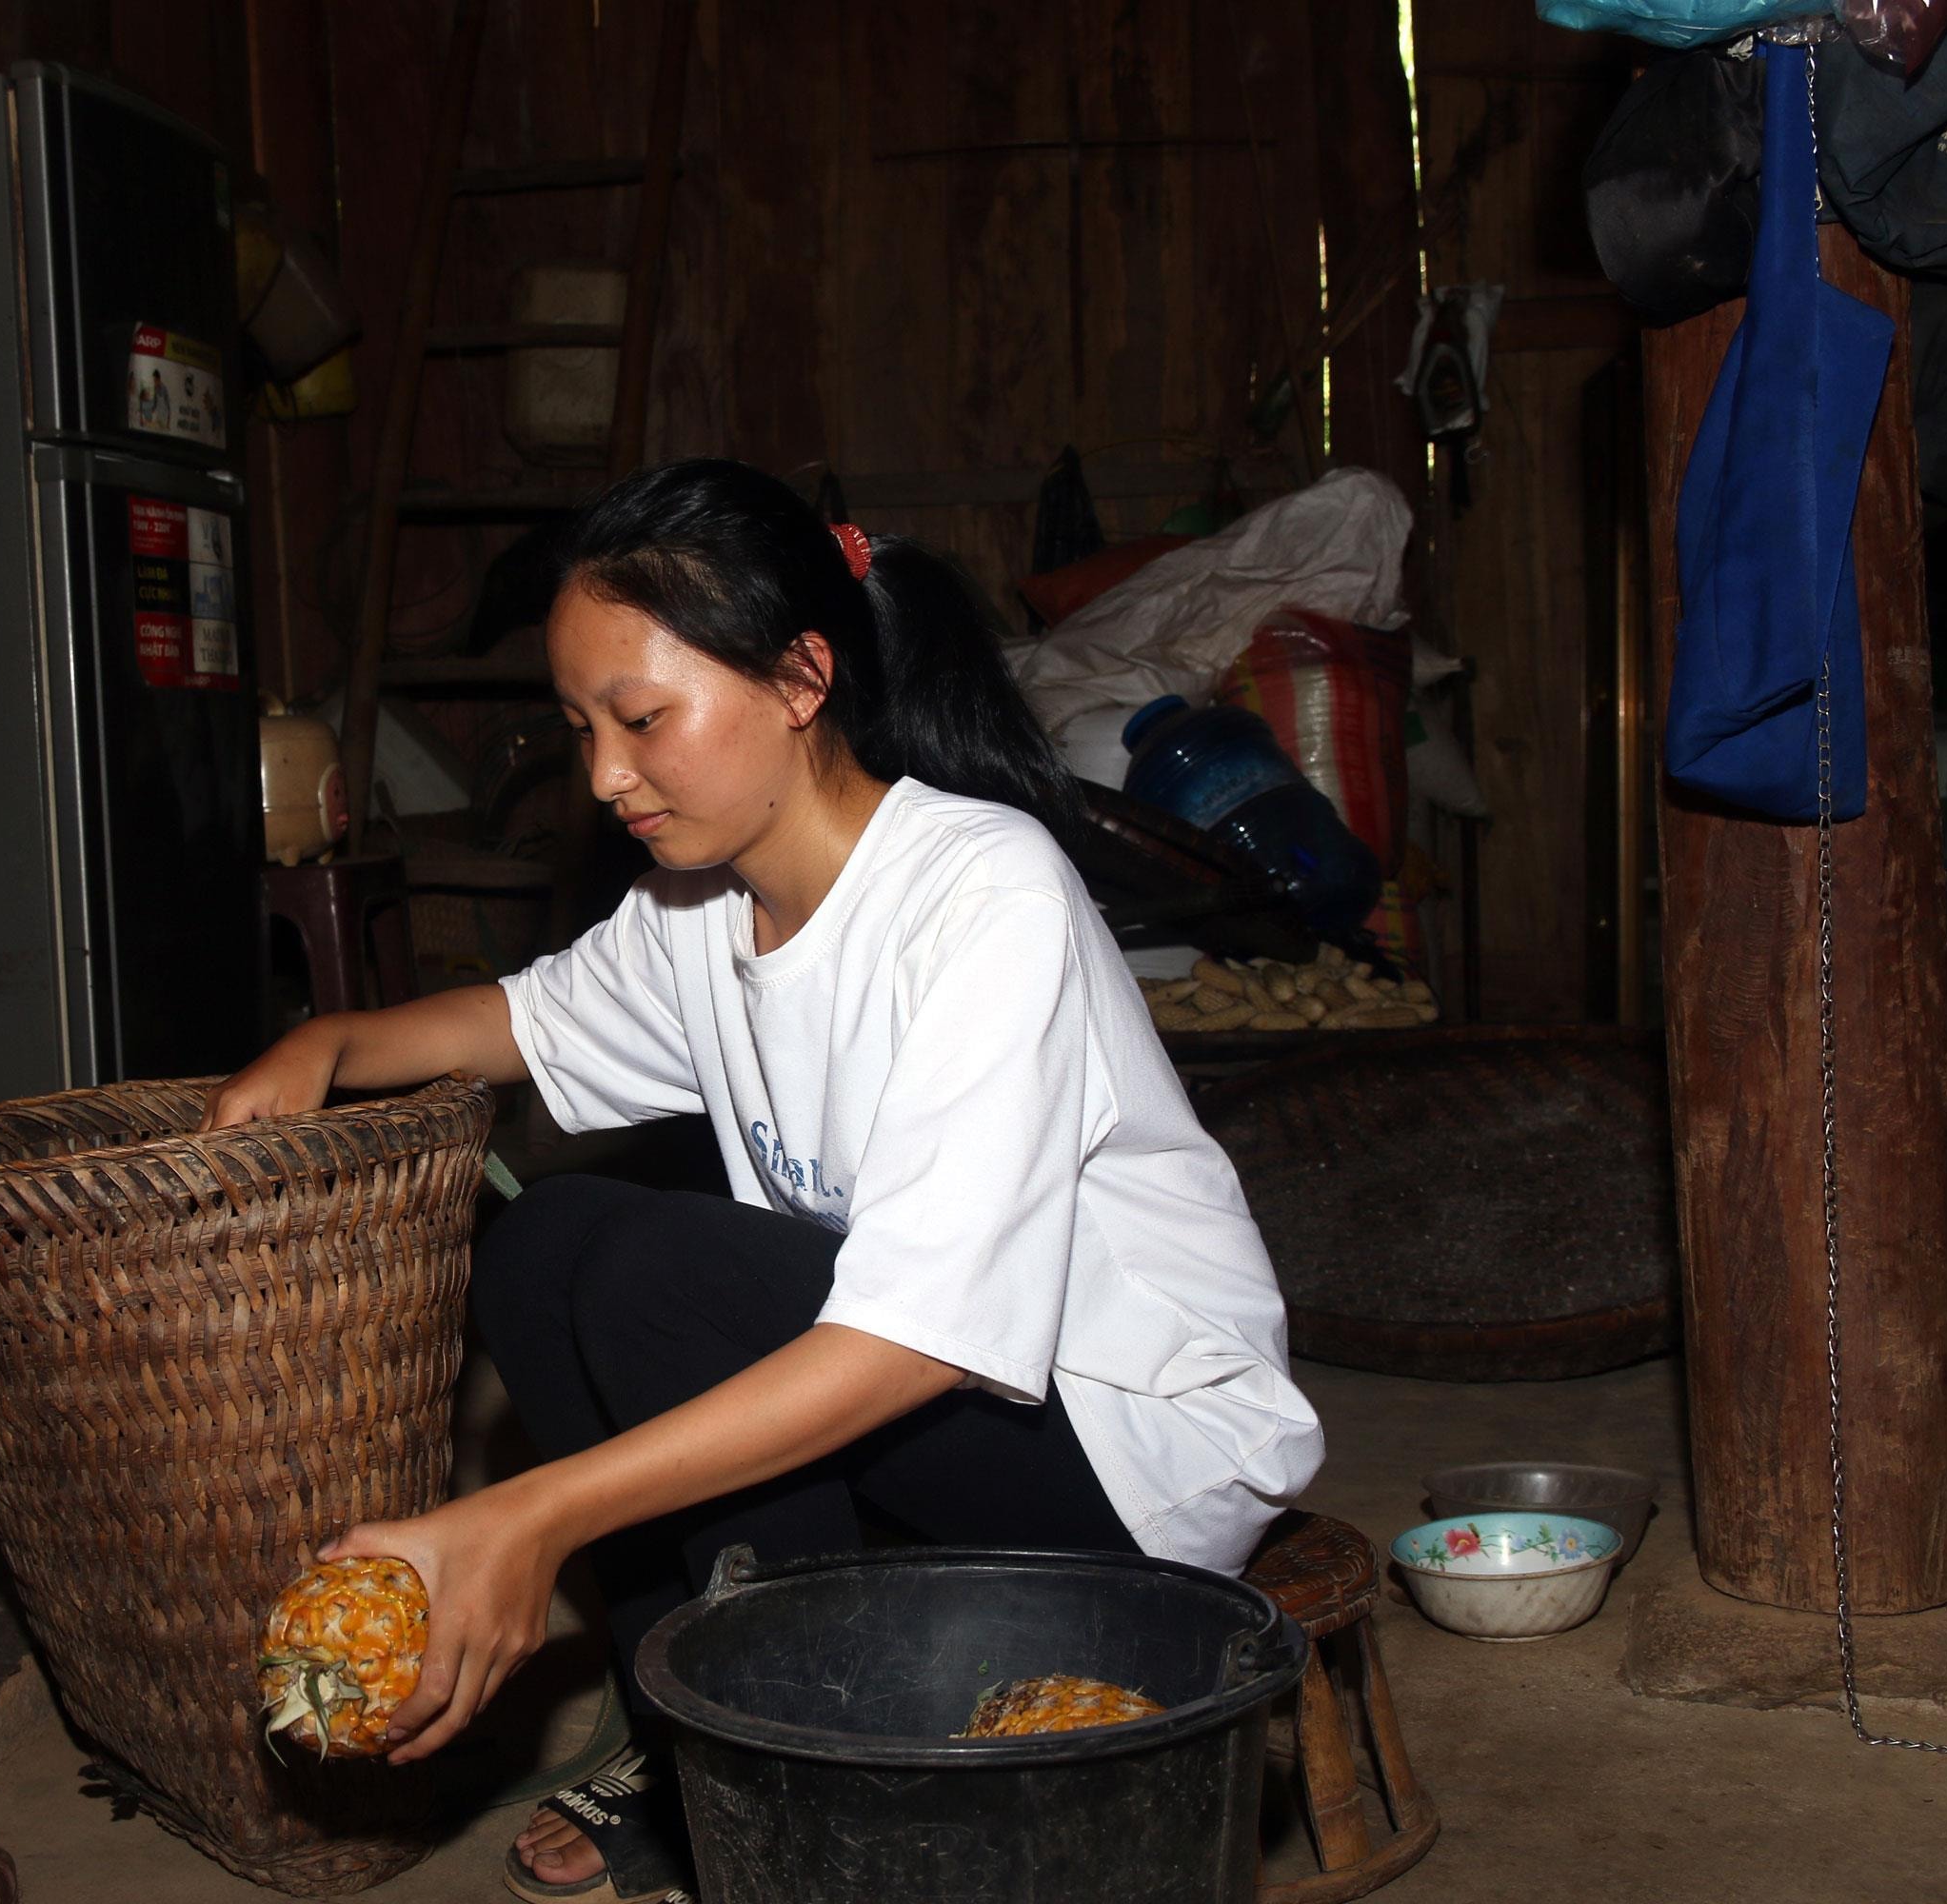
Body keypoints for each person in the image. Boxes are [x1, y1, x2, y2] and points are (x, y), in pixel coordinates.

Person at [207, 457, 1321, 1903]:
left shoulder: (979, 896)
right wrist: (333, 1038)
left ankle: (801, 1750)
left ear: (802, 679)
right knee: (547, 1244)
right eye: (581, 728)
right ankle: (699, 1731)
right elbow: (523, 1023)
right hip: (946, 1397)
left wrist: (527, 1515)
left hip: (1134, 1446)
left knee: (656, 1273)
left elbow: (911, 1345)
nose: (606, 776)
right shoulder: (700, 897)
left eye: (643, 720)